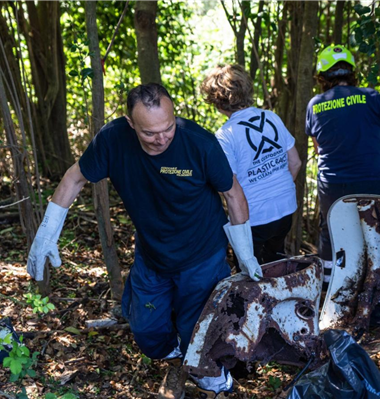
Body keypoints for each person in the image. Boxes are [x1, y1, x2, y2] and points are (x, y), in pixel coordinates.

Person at [26, 84, 261, 399]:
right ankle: (176, 357)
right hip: (153, 256)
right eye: (150, 133)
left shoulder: (198, 143)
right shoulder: (113, 140)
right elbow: (74, 177)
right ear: (130, 122)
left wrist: (245, 253)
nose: (162, 138)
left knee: (200, 331)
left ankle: (208, 372)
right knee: (147, 332)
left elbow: (232, 193)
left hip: (202, 254)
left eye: (167, 128)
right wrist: (48, 230)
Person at [305, 45, 380, 284]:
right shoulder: (371, 96)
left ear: (322, 76)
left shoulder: (315, 105)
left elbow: (318, 148)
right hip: (374, 182)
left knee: (331, 234)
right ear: (352, 72)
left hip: (334, 186)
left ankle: (329, 289)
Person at [201, 64, 302, 264]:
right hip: (286, 210)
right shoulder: (272, 117)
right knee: (276, 264)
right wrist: (276, 189)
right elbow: (296, 162)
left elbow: (231, 187)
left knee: (250, 275)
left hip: (254, 216)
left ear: (217, 102)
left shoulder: (225, 135)